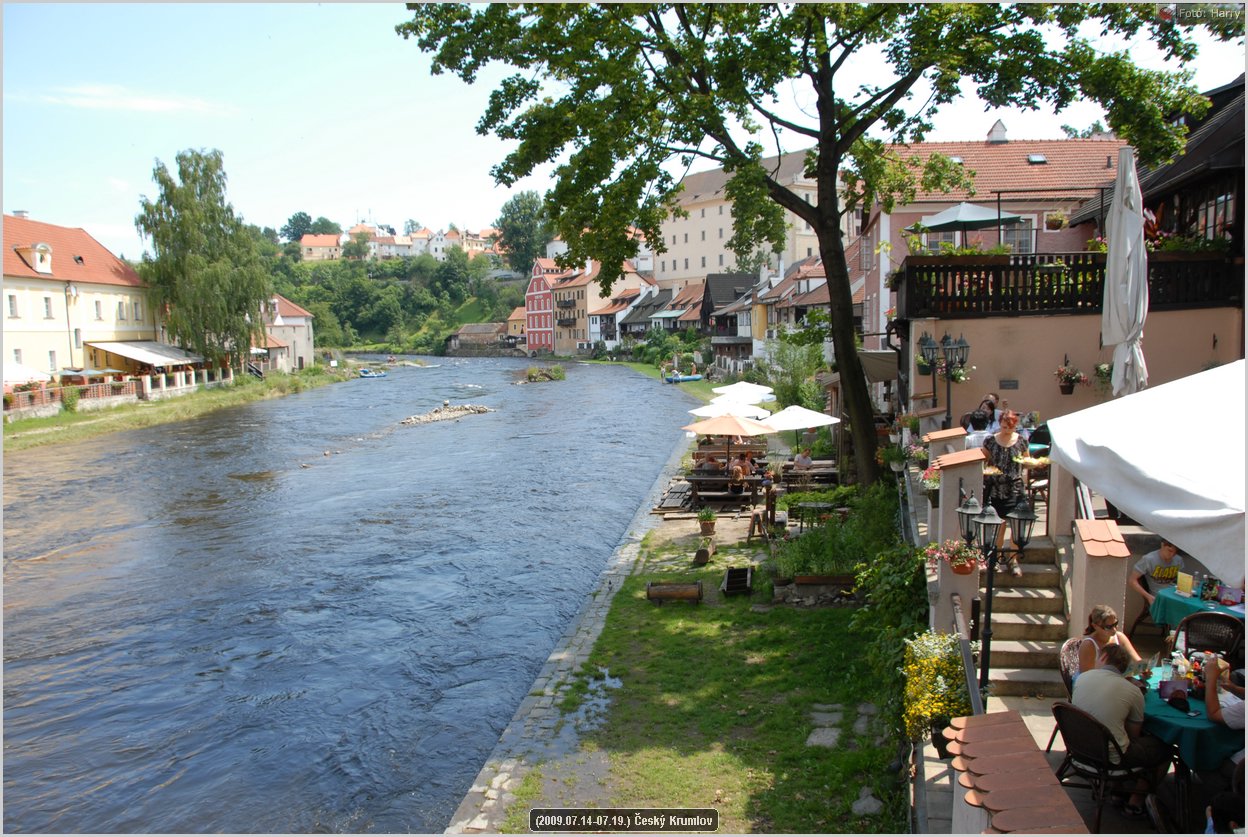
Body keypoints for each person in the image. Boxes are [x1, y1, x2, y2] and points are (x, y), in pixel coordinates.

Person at [1071, 643, 1173, 818]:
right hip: (1109, 757)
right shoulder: (1133, 692)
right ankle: (1136, 800)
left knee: (1116, 733)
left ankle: (1117, 790)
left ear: (1102, 658)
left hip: (1079, 748)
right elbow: (1134, 736)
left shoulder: (1082, 678)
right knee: (1165, 748)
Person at [982, 410, 1029, 576]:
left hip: (1015, 488)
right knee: (1000, 524)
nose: (1006, 430)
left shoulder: (1021, 441)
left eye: (1009, 427)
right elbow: (984, 461)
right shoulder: (990, 441)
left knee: (1016, 524)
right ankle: (995, 556)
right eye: (1003, 426)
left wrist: (1032, 466)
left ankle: (1013, 560)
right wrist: (988, 472)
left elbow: (1025, 461)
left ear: (1015, 426)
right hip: (996, 488)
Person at [1077, 604, 1141, 679]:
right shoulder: (1089, 645)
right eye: (1108, 627)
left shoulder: (1120, 637)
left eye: (1115, 624)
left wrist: (1144, 670)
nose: (1114, 629)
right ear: (1095, 626)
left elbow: (1138, 661)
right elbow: (1085, 677)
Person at [1129, 540, 1185, 607]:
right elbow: (1132, 580)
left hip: (1174, 593)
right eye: (1170, 551)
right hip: (1158, 595)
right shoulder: (1149, 559)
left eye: (1175, 552)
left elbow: (1182, 581)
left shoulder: (1178, 560)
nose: (1172, 555)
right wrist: (1148, 596)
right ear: (1162, 545)